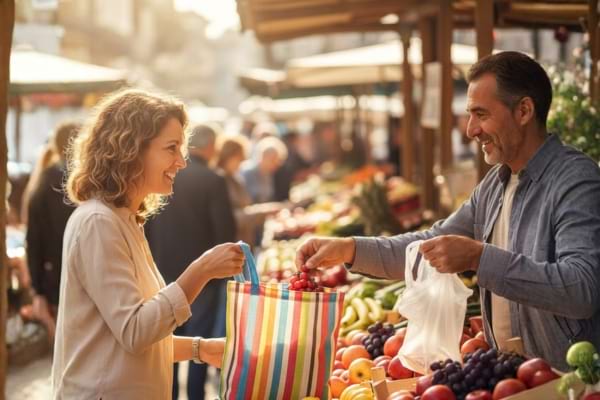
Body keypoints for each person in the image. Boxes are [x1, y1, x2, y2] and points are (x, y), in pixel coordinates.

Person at [296, 51, 600, 370]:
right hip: (513, 377)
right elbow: (426, 246)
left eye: (481, 114)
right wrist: (349, 249)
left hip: (568, 382)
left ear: (524, 111)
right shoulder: (494, 186)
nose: (470, 130)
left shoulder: (576, 180)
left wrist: (478, 258)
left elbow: (581, 289)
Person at [52, 89, 244, 399]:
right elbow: (135, 332)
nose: (181, 161)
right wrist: (202, 270)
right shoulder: (99, 222)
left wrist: (201, 349)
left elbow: (124, 340)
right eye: (171, 148)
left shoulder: (124, 219)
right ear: (130, 150)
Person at [145, 123, 236, 400]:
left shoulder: (154, 178)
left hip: (161, 271)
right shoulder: (213, 179)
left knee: (166, 345)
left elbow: (145, 227)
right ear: (210, 147)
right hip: (202, 279)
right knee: (200, 345)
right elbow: (226, 233)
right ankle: (196, 396)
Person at [25, 121, 80, 343]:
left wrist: (37, 287)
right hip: (79, 273)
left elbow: (33, 240)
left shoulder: (43, 181)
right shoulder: (90, 182)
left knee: (65, 344)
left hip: (55, 276)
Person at [215, 135, 280, 247]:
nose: (241, 163)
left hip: (243, 241)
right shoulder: (219, 180)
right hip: (231, 244)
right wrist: (264, 211)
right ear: (229, 156)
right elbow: (231, 217)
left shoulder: (234, 178)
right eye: (239, 158)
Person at [240, 136, 288, 204]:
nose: (276, 164)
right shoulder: (247, 173)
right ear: (264, 156)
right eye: (273, 160)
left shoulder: (269, 174)